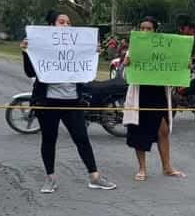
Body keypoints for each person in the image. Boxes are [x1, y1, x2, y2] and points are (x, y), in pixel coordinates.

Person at [22, 11, 117, 193]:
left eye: (68, 22)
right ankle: (50, 178)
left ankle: (95, 176)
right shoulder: (40, 46)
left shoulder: (76, 45)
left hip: (72, 101)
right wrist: (26, 51)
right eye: (61, 22)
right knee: (49, 140)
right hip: (47, 102)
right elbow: (30, 72)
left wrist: (93, 53)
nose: (65, 25)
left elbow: (87, 70)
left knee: (82, 138)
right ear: (51, 26)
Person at [123, 16, 184, 181]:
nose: (145, 31)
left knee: (163, 130)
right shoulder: (133, 49)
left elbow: (174, 68)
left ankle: (167, 167)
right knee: (139, 131)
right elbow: (125, 75)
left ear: (155, 31)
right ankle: (142, 169)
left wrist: (185, 67)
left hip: (158, 95)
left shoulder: (164, 49)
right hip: (140, 95)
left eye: (148, 28)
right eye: (142, 28)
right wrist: (126, 64)